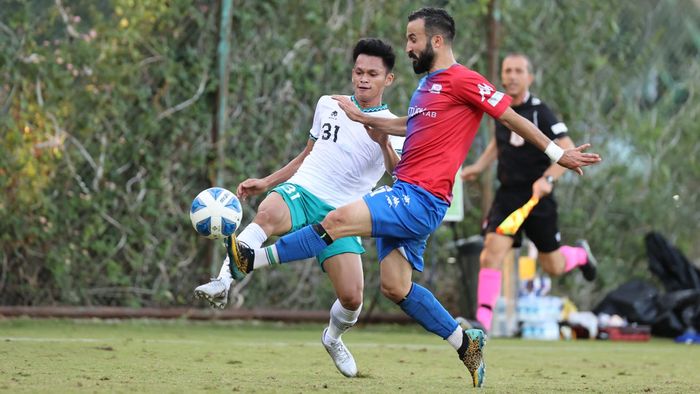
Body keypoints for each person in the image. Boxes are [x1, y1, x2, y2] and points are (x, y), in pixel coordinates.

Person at [225, 7, 601, 388]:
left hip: (421, 198)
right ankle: (464, 341)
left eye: (412, 39)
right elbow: (409, 124)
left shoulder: (463, 80)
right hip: (406, 191)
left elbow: (508, 116)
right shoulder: (428, 85)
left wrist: (558, 153)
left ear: (436, 41)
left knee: (336, 221)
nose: (407, 47)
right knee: (395, 287)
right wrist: (364, 118)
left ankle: (251, 259)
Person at [194, 37, 404, 378]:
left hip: (343, 213)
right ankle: (222, 282)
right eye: (358, 72)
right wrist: (267, 182)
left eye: (372, 74)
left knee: (352, 298)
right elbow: (308, 154)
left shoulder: (394, 127)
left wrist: (382, 142)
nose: (363, 79)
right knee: (267, 214)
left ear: (388, 80)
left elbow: (397, 175)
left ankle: (333, 337)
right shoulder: (328, 104)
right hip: (303, 189)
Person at [460, 53, 599, 334]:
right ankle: (481, 325)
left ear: (529, 77)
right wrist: (478, 167)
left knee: (554, 266)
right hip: (509, 197)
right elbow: (499, 145)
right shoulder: (500, 107)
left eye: (518, 71)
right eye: (507, 70)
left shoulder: (540, 111)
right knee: (491, 253)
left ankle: (580, 255)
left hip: (538, 199)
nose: (512, 76)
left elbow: (567, 146)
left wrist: (547, 178)